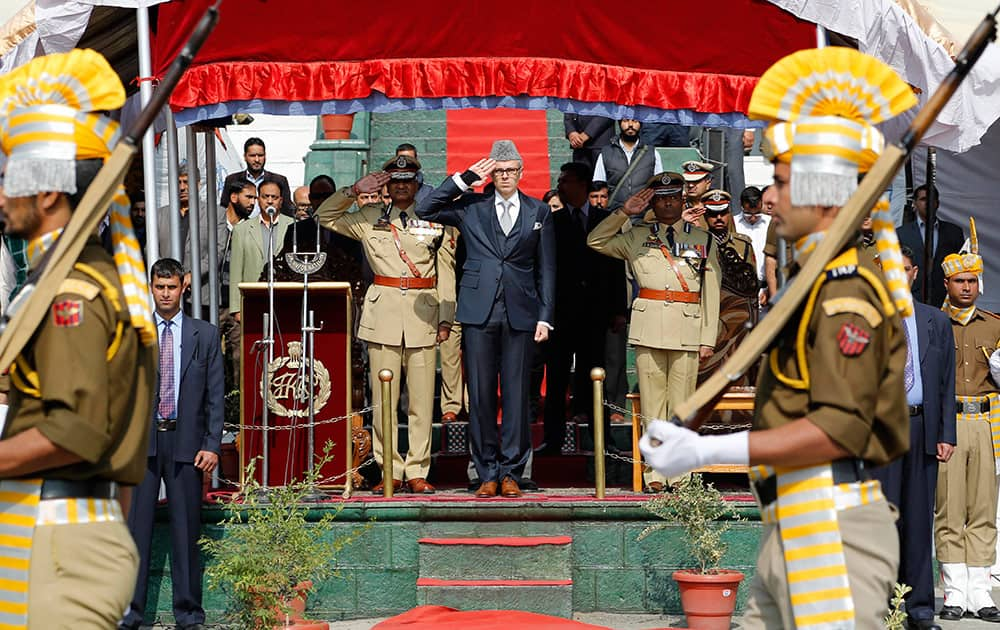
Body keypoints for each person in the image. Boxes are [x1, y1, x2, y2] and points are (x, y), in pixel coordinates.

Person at [638, 47, 917, 627]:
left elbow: (838, 428)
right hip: (791, 517)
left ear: (820, 198)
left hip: (831, 525)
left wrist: (708, 450)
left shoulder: (845, 298)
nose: (770, 197)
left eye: (784, 184)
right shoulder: (806, 284)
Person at [0, 48, 157, 628]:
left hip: (61, 546)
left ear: (47, 194)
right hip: (52, 536)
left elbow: (75, 432)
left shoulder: (73, 292)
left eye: (8, 181)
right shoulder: (66, 280)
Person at [416, 140, 555, 498]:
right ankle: (486, 471)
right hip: (479, 310)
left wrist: (545, 316)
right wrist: (465, 179)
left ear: (521, 173)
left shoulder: (538, 212)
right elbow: (425, 207)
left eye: (511, 171)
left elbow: (547, 270)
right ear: (490, 174)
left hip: (521, 311)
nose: (505, 177)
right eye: (499, 171)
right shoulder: (471, 206)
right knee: (479, 396)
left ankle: (512, 472)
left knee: (516, 396)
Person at [314, 158, 454, 494]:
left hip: (423, 312)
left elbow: (446, 270)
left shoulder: (434, 219)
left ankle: (418, 469)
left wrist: (446, 317)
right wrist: (353, 191)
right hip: (383, 313)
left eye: (408, 180)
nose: (402, 186)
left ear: (417, 184)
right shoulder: (368, 217)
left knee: (420, 402)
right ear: (386, 186)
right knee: (384, 400)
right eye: (395, 181)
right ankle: (388, 468)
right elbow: (323, 216)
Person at [588, 172, 720, 493]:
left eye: (674, 197)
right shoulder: (636, 235)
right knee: (652, 407)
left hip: (688, 327)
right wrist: (624, 212)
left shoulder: (702, 239)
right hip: (648, 328)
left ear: (683, 200)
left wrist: (707, 338)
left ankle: (681, 474)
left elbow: (711, 292)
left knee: (681, 406)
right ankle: (655, 474)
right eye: (661, 198)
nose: (668, 202)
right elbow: (595, 240)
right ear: (654, 202)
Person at [121, 259, 224, 630]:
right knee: (135, 534)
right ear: (151, 287)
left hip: (186, 444)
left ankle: (189, 615)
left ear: (184, 287)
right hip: (141, 446)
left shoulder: (205, 335)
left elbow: (216, 396)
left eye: (172, 287)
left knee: (185, 532)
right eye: (159, 287)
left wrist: (212, 444)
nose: (165, 294)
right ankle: (130, 614)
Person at [869, 245, 955, 630]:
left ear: (914, 274)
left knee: (919, 522)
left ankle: (919, 609)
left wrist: (946, 433)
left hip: (921, 428)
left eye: (902, 270)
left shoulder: (935, 320)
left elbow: (946, 382)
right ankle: (881, 606)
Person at [536, 163, 625, 455]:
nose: (561, 185)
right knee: (558, 376)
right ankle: (553, 439)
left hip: (595, 313)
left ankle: (602, 439)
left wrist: (618, 310)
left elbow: (615, 266)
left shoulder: (604, 219)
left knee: (596, 377)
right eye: (560, 180)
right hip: (561, 314)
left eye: (567, 180)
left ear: (584, 185)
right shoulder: (553, 220)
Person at [935, 224, 1000, 622]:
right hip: (949, 422)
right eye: (960, 281)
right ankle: (955, 592)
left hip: (986, 421)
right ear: (946, 283)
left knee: (982, 508)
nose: (966, 288)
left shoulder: (994, 325)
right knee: (949, 509)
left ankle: (981, 592)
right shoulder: (933, 322)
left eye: (972, 281)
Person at [698, 190, 758, 385]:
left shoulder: (743, 244)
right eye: (712, 214)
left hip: (737, 321)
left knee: (738, 368)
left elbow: (751, 288)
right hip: (707, 317)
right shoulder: (694, 242)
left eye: (722, 213)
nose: (718, 218)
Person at [227, 180, 294, 319]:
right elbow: (236, 271)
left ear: (281, 200)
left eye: (274, 197)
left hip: (287, 298)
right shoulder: (242, 230)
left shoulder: (294, 226)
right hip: (253, 299)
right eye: (265, 197)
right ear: (258, 200)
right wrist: (236, 309)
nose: (270, 201)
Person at [897, 184, 965, 306]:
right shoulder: (901, 233)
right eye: (923, 199)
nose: (927, 203)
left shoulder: (954, 232)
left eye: (931, 199)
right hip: (913, 298)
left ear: (937, 203)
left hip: (946, 298)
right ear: (915, 203)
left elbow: (961, 267)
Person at [218, 178, 255, 387]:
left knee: (240, 360)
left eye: (254, 198)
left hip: (238, 306)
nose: (253, 203)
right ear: (233, 197)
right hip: (212, 302)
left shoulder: (251, 227)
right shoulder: (214, 223)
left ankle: (238, 406)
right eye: (248, 197)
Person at [592, 119, 662, 207]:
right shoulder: (606, 153)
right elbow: (599, 185)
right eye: (626, 121)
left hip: (643, 213)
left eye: (635, 121)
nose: (630, 125)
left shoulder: (652, 153)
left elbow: (658, 186)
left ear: (641, 124)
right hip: (615, 213)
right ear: (619, 123)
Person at [220, 137, 294, 216]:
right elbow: (224, 208)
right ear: (245, 156)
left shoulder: (279, 180)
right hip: (240, 226)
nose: (257, 159)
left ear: (265, 156)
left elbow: (287, 210)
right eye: (252, 155)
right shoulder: (232, 180)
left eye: (260, 155)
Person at [734, 186, 771, 307]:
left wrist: (769, 289)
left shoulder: (771, 224)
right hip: (739, 291)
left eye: (757, 214)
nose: (753, 218)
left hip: (766, 290)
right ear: (741, 205)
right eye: (748, 214)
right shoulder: (733, 224)